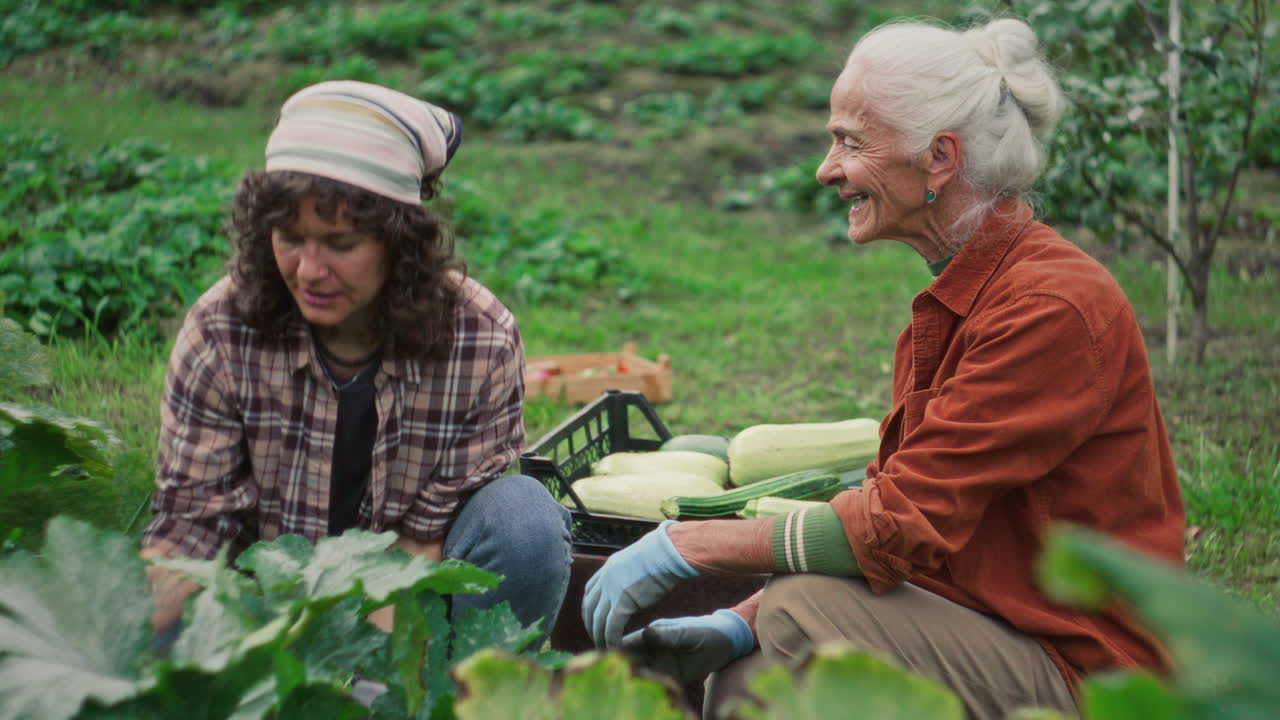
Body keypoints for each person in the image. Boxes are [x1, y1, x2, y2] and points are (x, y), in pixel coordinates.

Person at [582, 17, 1185, 720]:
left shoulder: (1050, 309)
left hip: (1088, 672)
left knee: (803, 610)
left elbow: (898, 525)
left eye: (850, 141)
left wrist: (688, 545)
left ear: (939, 159)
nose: (826, 168)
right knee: (755, 668)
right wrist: (740, 618)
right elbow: (914, 518)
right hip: (992, 621)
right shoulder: (964, 296)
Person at [140, 80, 572, 642]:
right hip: (260, 607)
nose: (309, 270)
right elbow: (192, 525)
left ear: (402, 243)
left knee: (524, 518)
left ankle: (481, 696)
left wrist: (366, 681)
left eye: (340, 243)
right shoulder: (222, 331)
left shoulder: (479, 340)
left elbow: (421, 542)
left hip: (409, 599)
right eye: (290, 237)